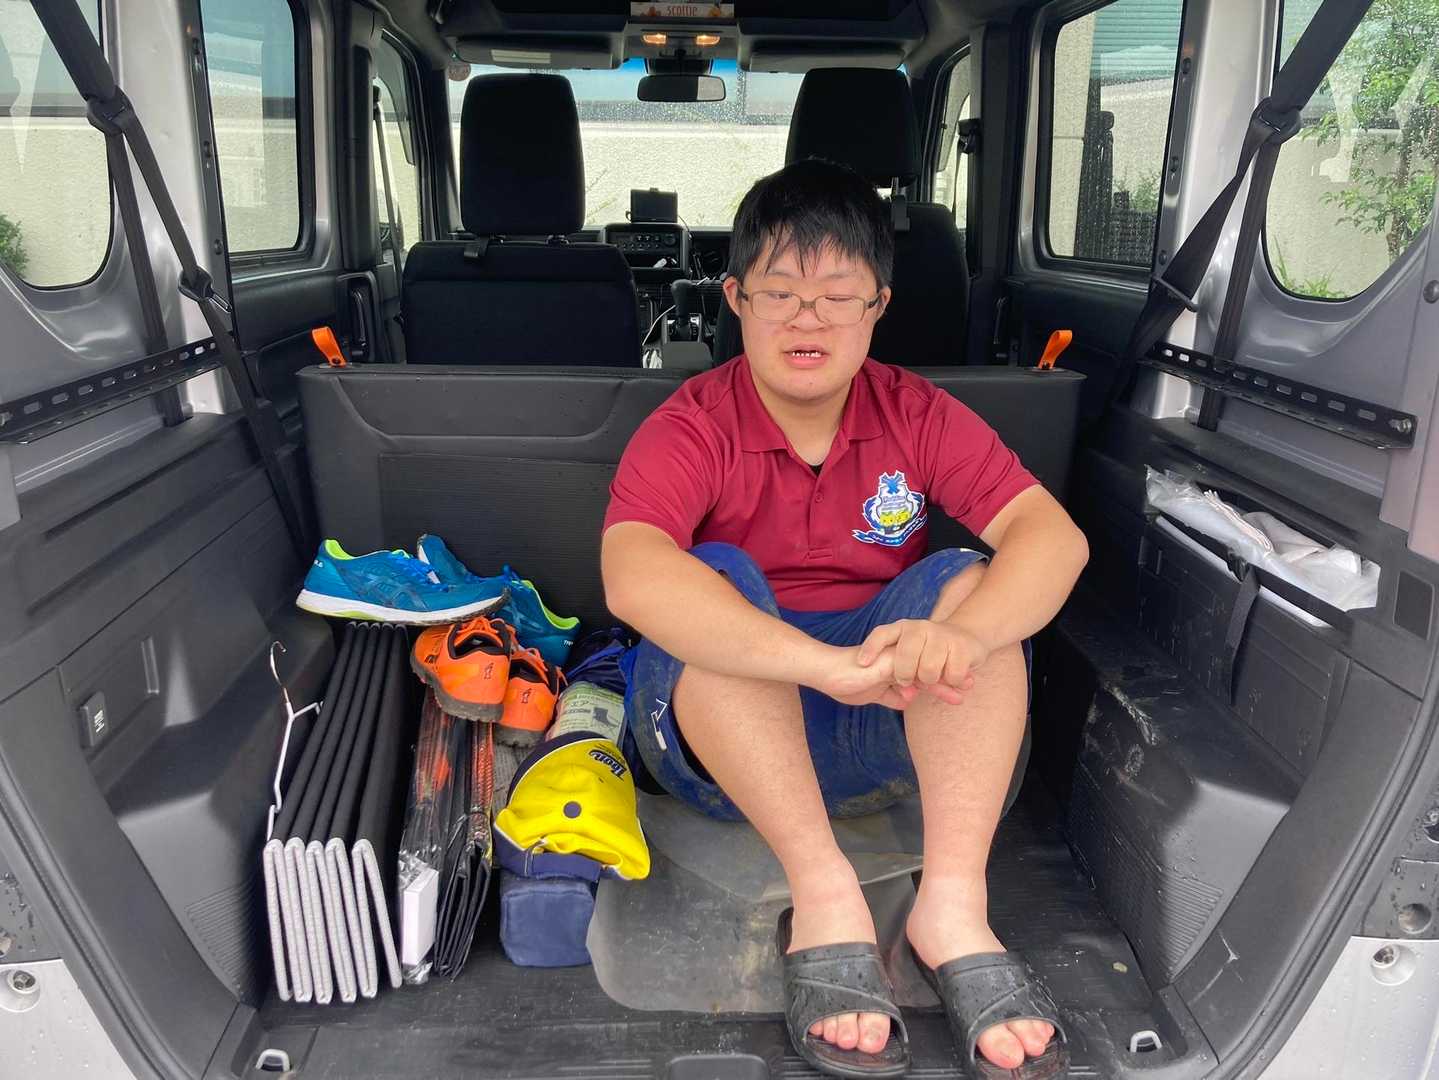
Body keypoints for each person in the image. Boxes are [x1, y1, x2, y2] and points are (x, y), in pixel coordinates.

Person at [601, 158, 1088, 1079]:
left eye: (836, 295)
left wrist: (964, 635)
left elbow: (1050, 538)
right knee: (708, 579)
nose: (807, 319)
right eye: (779, 292)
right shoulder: (691, 423)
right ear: (735, 300)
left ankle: (953, 908)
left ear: (877, 306)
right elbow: (632, 577)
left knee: (967, 581)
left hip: (891, 737)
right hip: (723, 754)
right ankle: (825, 895)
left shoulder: (917, 412)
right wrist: (811, 663)